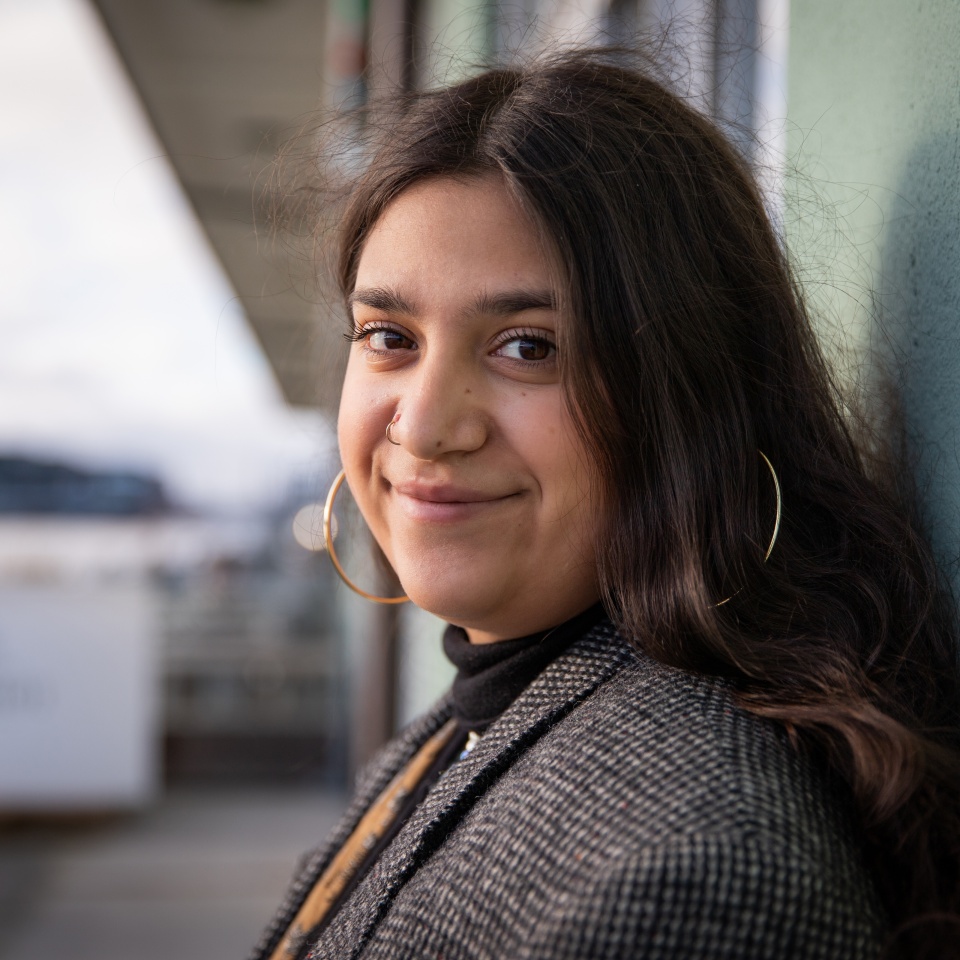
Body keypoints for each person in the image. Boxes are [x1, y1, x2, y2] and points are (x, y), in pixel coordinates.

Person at [251, 49, 960, 960]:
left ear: (687, 396)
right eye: (389, 336)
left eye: (527, 348)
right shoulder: (478, 715)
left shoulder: (698, 874)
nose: (424, 426)